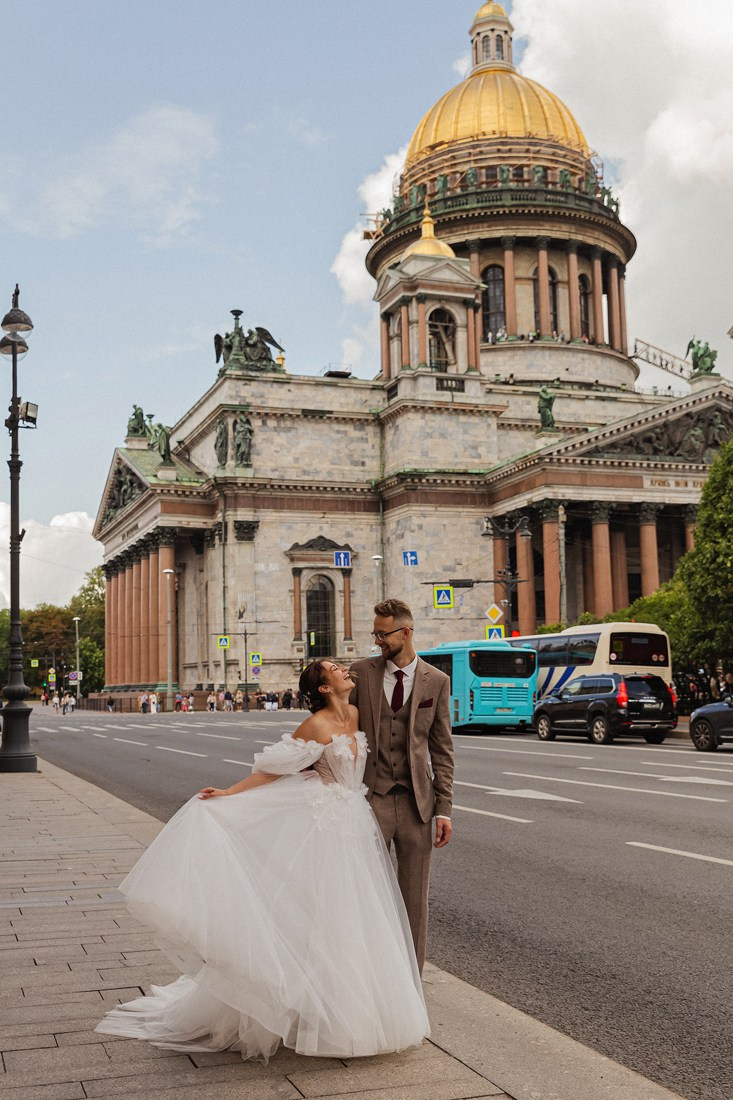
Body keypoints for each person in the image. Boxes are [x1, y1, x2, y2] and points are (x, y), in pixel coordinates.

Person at [95, 658, 429, 1060]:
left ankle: (343, 1007)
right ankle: (310, 1011)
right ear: (323, 687)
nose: (344, 669)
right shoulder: (315, 725)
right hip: (323, 827)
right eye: (334, 669)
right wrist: (229, 794)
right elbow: (273, 770)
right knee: (317, 916)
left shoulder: (356, 712)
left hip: (353, 824)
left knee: (352, 916)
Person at [350, 598, 454, 973]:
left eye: (383, 633)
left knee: (414, 899)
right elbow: (340, 728)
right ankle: (369, 976)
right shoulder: (361, 673)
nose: (378, 640)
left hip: (416, 806)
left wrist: (444, 809)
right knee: (366, 894)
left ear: (406, 632)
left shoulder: (436, 681)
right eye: (375, 633)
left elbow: (442, 750)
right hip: (370, 800)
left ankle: (410, 979)